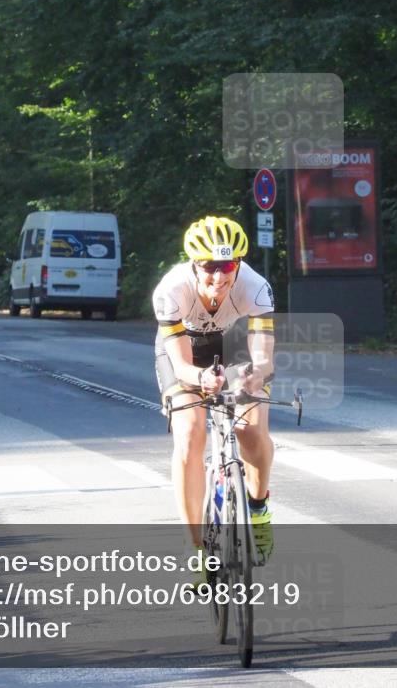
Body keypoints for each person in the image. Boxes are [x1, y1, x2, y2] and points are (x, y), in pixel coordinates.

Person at [152, 216, 276, 571]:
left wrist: (257, 373)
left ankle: (258, 508)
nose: (219, 278)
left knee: (251, 426)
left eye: (227, 266)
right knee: (190, 435)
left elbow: (264, 356)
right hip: (187, 353)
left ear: (237, 264)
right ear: (194, 264)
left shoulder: (255, 287)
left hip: (235, 345)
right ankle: (197, 550)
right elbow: (181, 366)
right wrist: (200, 378)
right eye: (209, 267)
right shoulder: (170, 290)